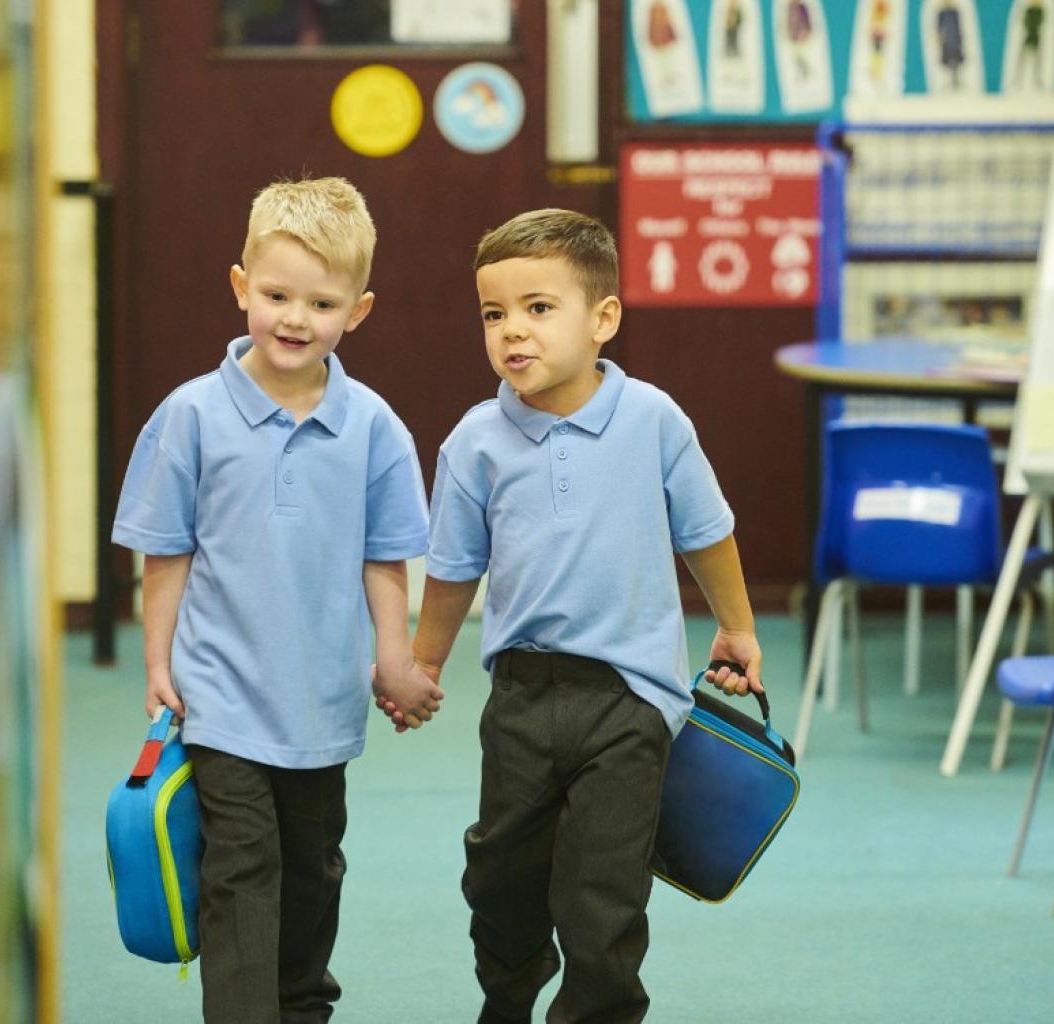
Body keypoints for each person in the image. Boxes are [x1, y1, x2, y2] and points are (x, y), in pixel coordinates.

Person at [381, 208, 764, 1024]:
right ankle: (508, 999)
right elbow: (453, 572)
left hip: (632, 701)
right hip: (521, 698)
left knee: (603, 898)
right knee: (501, 884)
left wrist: (737, 626)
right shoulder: (474, 442)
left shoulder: (654, 419)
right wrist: (422, 665)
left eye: (538, 308)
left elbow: (708, 533)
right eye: (494, 314)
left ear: (603, 318)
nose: (513, 331)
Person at [111, 176, 440, 1023]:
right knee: (240, 873)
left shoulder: (374, 428)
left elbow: (385, 561)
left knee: (312, 870)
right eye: (276, 295)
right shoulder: (189, 416)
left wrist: (394, 657)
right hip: (221, 698)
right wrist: (158, 661)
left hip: (323, 704)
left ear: (357, 311)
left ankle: (301, 1006)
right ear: (240, 288)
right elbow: (166, 554)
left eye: (321, 303)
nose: (295, 318)